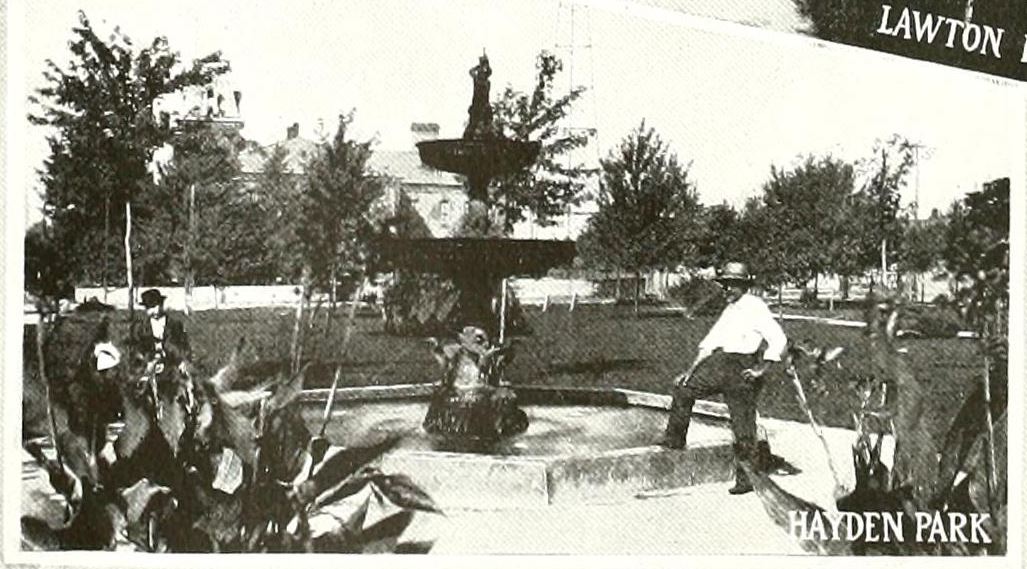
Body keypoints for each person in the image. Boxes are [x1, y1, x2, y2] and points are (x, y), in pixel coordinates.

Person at [660, 262, 788, 495]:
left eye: (732, 285)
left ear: (743, 285)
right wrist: (690, 372)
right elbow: (710, 343)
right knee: (683, 389)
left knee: (743, 426)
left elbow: (778, 339)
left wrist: (761, 369)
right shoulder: (730, 309)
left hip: (743, 368)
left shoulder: (755, 307)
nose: (727, 290)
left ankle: (747, 478)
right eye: (725, 285)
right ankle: (674, 440)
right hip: (721, 365)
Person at [130, 288, 192, 376]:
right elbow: (137, 348)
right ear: (146, 309)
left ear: (162, 305)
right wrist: (146, 361)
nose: (156, 310)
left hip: (172, 363)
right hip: (149, 365)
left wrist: (183, 361)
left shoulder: (174, 325)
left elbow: (184, 345)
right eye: (151, 308)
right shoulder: (141, 328)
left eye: (157, 305)